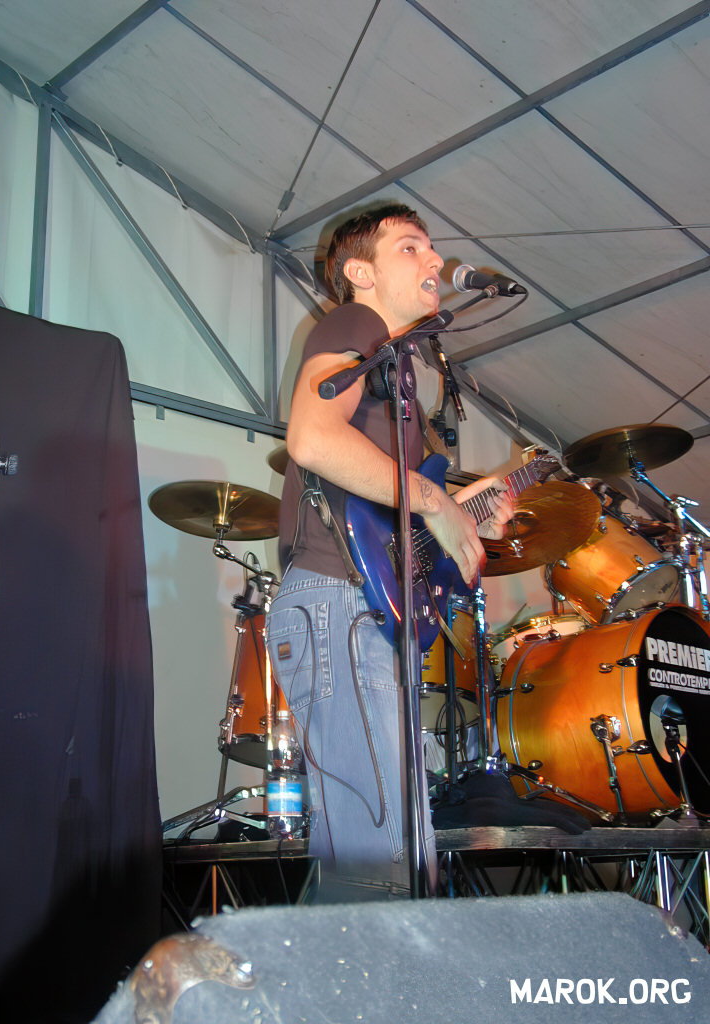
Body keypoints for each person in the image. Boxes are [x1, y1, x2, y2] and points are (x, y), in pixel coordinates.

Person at [266, 203, 513, 898]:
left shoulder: (401, 371)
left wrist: (468, 510)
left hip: (359, 611)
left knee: (381, 858)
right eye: (411, 247)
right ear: (360, 272)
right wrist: (436, 502)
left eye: (433, 248)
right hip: (337, 603)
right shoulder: (356, 324)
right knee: (384, 865)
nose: (435, 260)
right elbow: (312, 438)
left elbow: (393, 518)